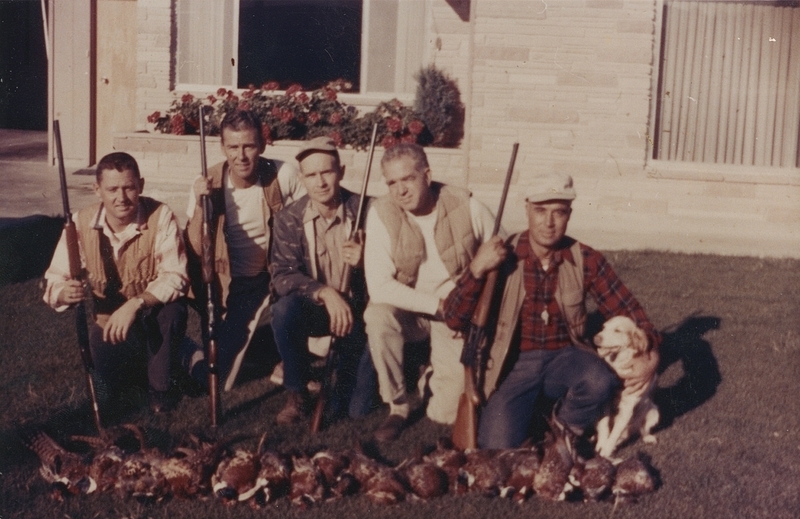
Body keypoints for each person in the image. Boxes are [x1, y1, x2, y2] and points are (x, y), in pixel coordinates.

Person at [442, 172, 661, 453]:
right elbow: (453, 317)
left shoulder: (585, 258)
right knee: (496, 447)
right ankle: (537, 414)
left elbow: (632, 314)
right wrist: (476, 270)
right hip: (515, 365)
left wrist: (651, 358)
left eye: (558, 212)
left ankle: (564, 429)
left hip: (566, 357)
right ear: (527, 209)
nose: (548, 222)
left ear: (569, 214)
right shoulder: (500, 255)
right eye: (540, 211)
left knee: (599, 380)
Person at [363, 142, 497, 442]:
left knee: (445, 414)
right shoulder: (381, 213)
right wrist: (440, 305)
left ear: (427, 175)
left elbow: (497, 264)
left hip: (457, 317)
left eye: (408, 179)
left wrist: (468, 312)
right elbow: (379, 286)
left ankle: (427, 377)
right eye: (392, 183)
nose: (401, 191)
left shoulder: (468, 206)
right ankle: (397, 407)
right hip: (414, 310)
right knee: (377, 316)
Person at [44, 152, 189, 414]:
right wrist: (64, 292)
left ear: (140, 186)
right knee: (114, 392)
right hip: (109, 323)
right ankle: (174, 357)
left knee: (172, 310)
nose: (120, 198)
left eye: (128, 188)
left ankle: (162, 389)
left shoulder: (160, 215)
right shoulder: (80, 222)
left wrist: (135, 304)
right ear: (97, 189)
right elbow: (54, 279)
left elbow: (176, 276)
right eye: (112, 189)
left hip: (151, 315)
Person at [184, 110, 304, 390]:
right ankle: (190, 352)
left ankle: (289, 358)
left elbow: (310, 222)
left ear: (262, 145)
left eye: (249, 146)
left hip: (274, 274)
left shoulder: (282, 175)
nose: (241, 155)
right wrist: (203, 205)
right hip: (231, 285)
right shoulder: (208, 180)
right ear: (223, 147)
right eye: (233, 147)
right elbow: (192, 245)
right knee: (218, 378)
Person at [269, 136, 376, 425]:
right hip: (318, 309)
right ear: (302, 178)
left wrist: (368, 261)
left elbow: (399, 268)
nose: (321, 182)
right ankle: (297, 392)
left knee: (356, 410)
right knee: (283, 310)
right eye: (311, 175)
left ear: (340, 171)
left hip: (363, 313)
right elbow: (282, 276)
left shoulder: (371, 211)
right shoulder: (288, 219)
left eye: (327, 172)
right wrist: (325, 293)